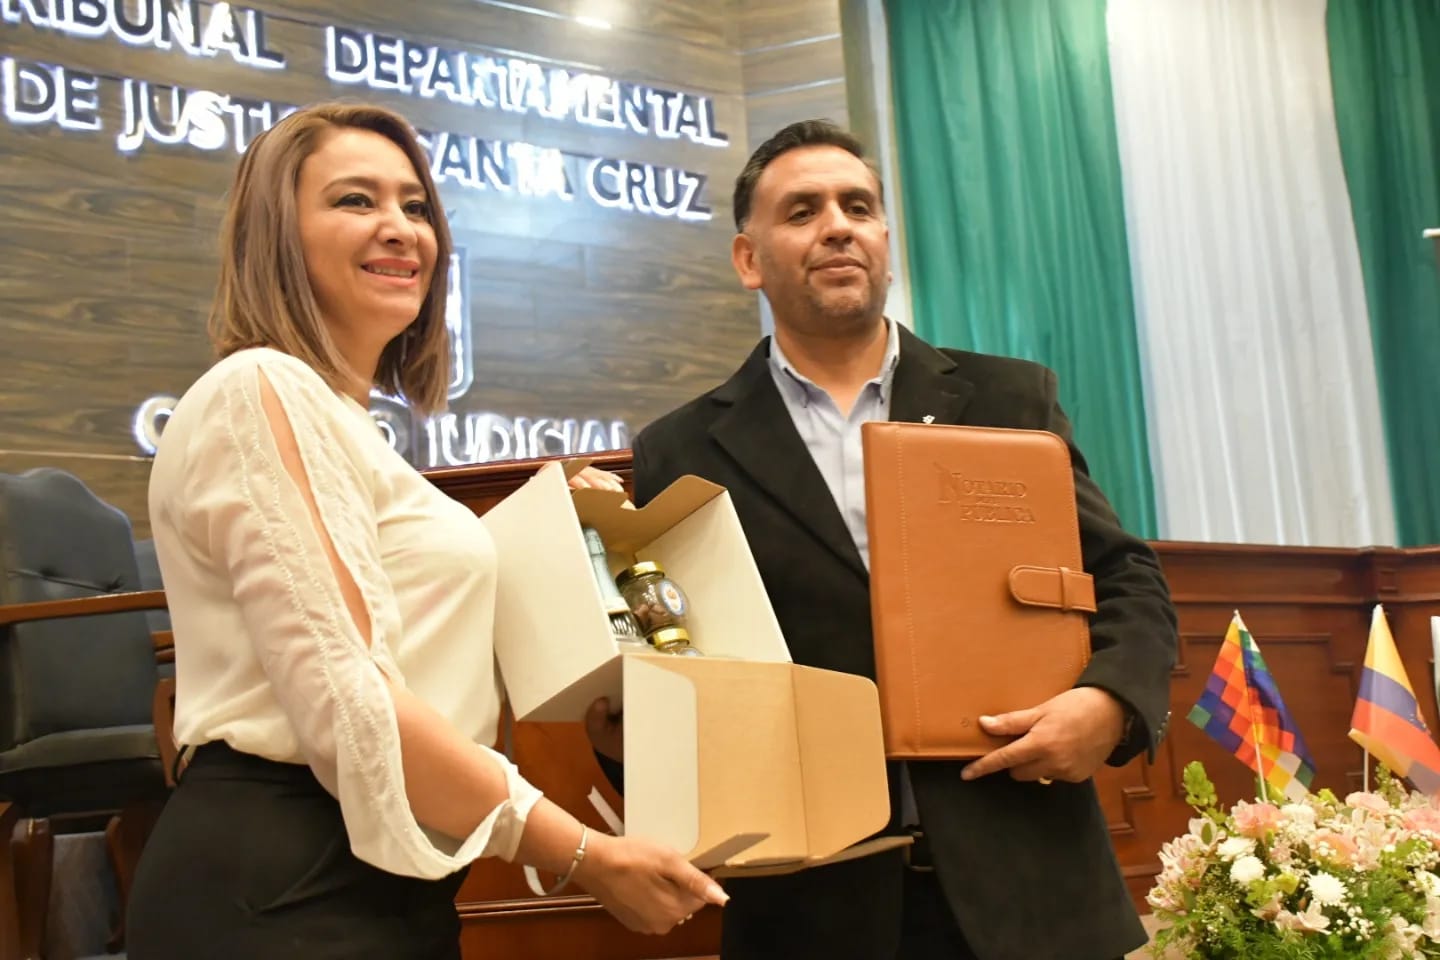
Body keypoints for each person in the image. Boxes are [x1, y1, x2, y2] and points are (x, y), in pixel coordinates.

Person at [125, 102, 726, 960]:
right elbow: (352, 697)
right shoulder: (260, 387)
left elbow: (421, 635)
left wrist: (553, 540)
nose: (401, 228)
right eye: (355, 200)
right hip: (281, 879)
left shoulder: (347, 427)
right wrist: (583, 854)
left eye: (415, 207)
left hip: (389, 884)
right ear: (276, 235)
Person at [586, 120, 1178, 960]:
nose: (838, 226)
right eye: (802, 211)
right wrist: (626, 736)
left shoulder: (1010, 399)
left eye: (858, 206)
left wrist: (1109, 703)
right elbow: (681, 665)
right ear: (748, 259)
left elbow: (1125, 577)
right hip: (811, 911)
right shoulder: (680, 451)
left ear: (886, 243)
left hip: (1033, 891)